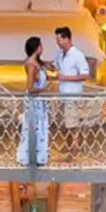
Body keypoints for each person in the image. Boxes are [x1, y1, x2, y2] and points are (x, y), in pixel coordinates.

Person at [53, 25, 90, 156]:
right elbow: (56, 66)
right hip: (62, 93)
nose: (57, 42)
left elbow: (85, 75)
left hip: (73, 94)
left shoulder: (77, 55)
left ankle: (74, 149)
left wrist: (66, 77)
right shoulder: (58, 54)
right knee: (65, 122)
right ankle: (68, 145)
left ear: (67, 39)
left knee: (73, 123)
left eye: (59, 39)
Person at [16, 35, 49, 166]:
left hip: (39, 100)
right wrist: (43, 90)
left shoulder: (36, 63)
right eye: (40, 45)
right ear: (37, 48)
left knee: (39, 126)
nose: (42, 48)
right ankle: (30, 156)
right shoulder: (31, 65)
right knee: (33, 126)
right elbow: (29, 87)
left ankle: (39, 155)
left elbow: (38, 79)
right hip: (34, 100)